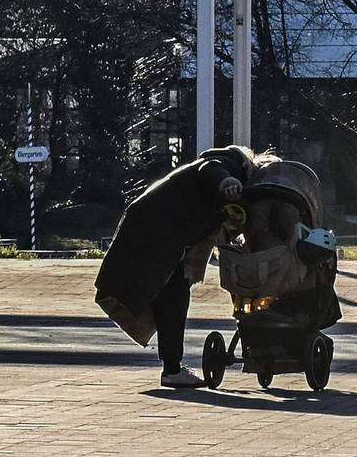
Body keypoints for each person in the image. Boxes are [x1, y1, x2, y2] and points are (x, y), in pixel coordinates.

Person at [93, 144, 258, 388]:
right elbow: (210, 170)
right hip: (157, 232)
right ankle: (171, 369)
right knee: (172, 297)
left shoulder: (207, 175)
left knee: (168, 296)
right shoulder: (226, 165)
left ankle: (171, 368)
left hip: (155, 229)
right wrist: (227, 182)